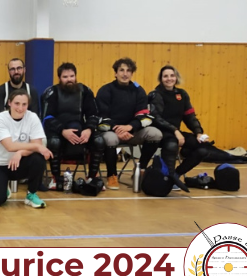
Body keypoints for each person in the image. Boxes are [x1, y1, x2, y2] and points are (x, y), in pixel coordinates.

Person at [95, 57, 163, 190]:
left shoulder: (139, 91)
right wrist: (119, 130)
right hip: (112, 131)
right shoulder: (105, 90)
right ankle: (112, 175)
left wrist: (130, 127)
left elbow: (144, 116)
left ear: (132, 73)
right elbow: (101, 117)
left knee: (155, 133)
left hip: (133, 132)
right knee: (110, 138)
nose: (125, 74)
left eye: (128, 71)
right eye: (121, 70)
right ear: (115, 73)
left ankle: (140, 169)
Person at [0, 90, 52, 208]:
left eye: (24, 104)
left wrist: (20, 153)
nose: (20, 108)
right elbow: (10, 146)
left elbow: (37, 144)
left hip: (19, 163)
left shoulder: (32, 117)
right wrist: (36, 146)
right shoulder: (0, 118)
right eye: (17, 103)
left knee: (38, 158)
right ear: (9, 103)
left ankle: (31, 194)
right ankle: (3, 185)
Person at [40, 62, 105, 185]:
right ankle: (55, 178)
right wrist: (63, 131)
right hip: (59, 132)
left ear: (75, 76)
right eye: (65, 77)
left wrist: (89, 129)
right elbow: (47, 118)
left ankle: (92, 178)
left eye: (71, 76)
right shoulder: (51, 92)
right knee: (54, 142)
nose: (69, 79)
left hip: (81, 130)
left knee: (99, 140)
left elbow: (93, 114)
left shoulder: (85, 91)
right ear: (59, 78)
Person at [149, 65, 210, 184]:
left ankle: (176, 175)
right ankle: (168, 178)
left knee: (203, 149)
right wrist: (175, 131)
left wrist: (198, 132)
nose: (169, 79)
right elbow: (156, 118)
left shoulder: (182, 94)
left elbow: (190, 116)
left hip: (177, 134)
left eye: (172, 75)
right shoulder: (156, 95)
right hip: (160, 133)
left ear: (176, 78)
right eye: (165, 76)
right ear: (161, 79)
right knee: (172, 144)